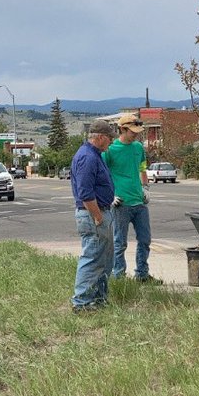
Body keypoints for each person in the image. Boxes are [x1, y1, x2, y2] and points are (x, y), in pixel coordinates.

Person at [102, 112, 161, 283]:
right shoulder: (110, 151)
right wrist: (109, 195)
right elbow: (102, 174)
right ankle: (118, 275)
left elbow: (142, 168)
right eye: (132, 131)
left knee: (145, 240)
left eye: (137, 131)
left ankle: (142, 274)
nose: (136, 134)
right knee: (120, 242)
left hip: (139, 201)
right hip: (121, 203)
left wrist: (145, 187)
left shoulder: (137, 148)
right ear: (122, 129)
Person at [70, 119, 116, 312]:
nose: (111, 143)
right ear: (100, 138)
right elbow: (86, 193)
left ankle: (97, 299)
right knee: (92, 258)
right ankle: (82, 302)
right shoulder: (88, 157)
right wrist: (98, 216)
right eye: (109, 139)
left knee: (104, 260)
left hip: (100, 212)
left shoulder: (94, 155)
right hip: (92, 215)